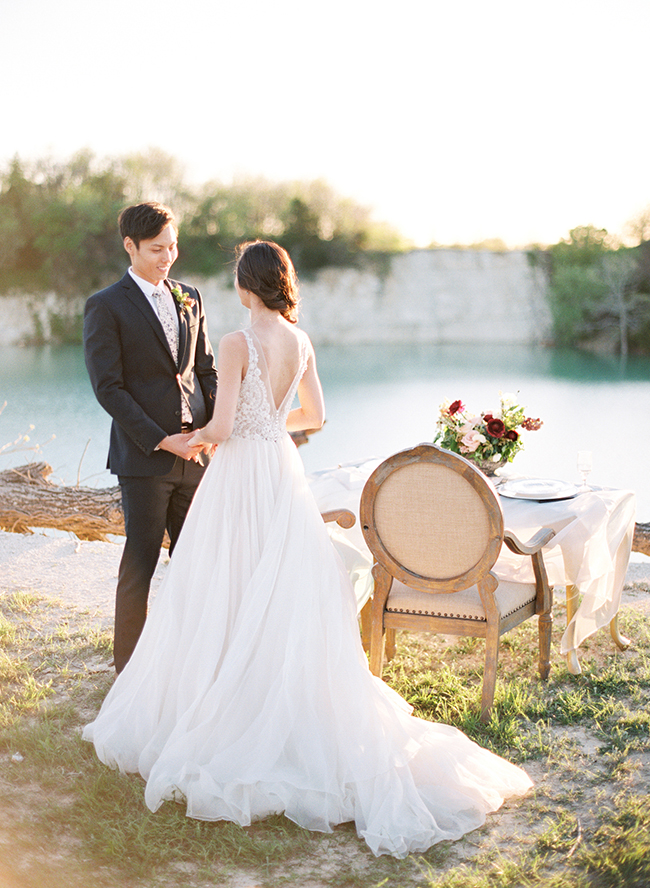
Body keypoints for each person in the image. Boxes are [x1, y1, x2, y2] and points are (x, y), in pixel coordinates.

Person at [83, 241, 532, 858]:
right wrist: (269, 429)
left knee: (224, 580)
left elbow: (216, 430)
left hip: (240, 473)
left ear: (245, 287)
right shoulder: (301, 339)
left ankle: (225, 694)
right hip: (281, 472)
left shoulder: (238, 343)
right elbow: (315, 416)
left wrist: (199, 438)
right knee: (277, 583)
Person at [83, 202, 217, 673]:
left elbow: (206, 371)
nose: (168, 257)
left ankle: (191, 664)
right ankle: (130, 673)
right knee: (139, 564)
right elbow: (109, 389)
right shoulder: (105, 305)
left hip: (197, 455)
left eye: (173, 246)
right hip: (145, 458)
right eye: (157, 249)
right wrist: (163, 440)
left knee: (195, 564)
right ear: (130, 246)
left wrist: (212, 430)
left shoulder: (190, 295)